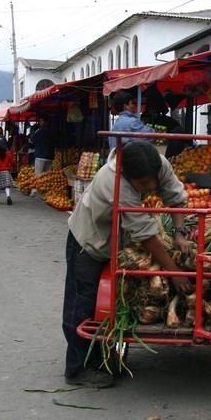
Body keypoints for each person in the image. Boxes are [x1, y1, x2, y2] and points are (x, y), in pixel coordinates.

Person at [62, 141, 192, 388]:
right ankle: (77, 369)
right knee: (82, 304)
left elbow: (175, 197)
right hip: (89, 241)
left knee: (112, 301)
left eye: (152, 180)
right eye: (143, 185)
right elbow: (145, 234)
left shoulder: (158, 165)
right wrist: (173, 271)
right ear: (126, 175)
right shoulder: (115, 182)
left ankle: (104, 358)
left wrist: (180, 231)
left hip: (117, 240)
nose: (151, 187)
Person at [29, 116, 55, 198]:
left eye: (42, 121)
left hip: (40, 155)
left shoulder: (40, 130)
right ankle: (46, 191)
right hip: (50, 156)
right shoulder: (52, 131)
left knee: (38, 174)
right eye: (40, 121)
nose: (40, 122)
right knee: (47, 175)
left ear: (46, 122)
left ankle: (35, 191)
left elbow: (32, 139)